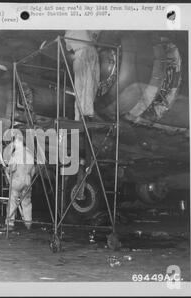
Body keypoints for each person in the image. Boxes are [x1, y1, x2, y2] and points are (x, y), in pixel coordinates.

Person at [64, 30, 101, 200]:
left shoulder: (70, 31)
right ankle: (85, 112)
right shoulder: (82, 29)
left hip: (83, 55)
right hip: (90, 53)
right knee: (87, 90)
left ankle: (83, 114)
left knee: (82, 92)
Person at [2, 131, 35, 231]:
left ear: (18, 142)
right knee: (26, 202)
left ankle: (10, 223)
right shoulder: (30, 152)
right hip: (28, 181)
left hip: (17, 181)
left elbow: (12, 168)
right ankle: (28, 223)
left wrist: (6, 169)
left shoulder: (16, 154)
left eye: (14, 142)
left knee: (12, 201)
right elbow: (33, 170)